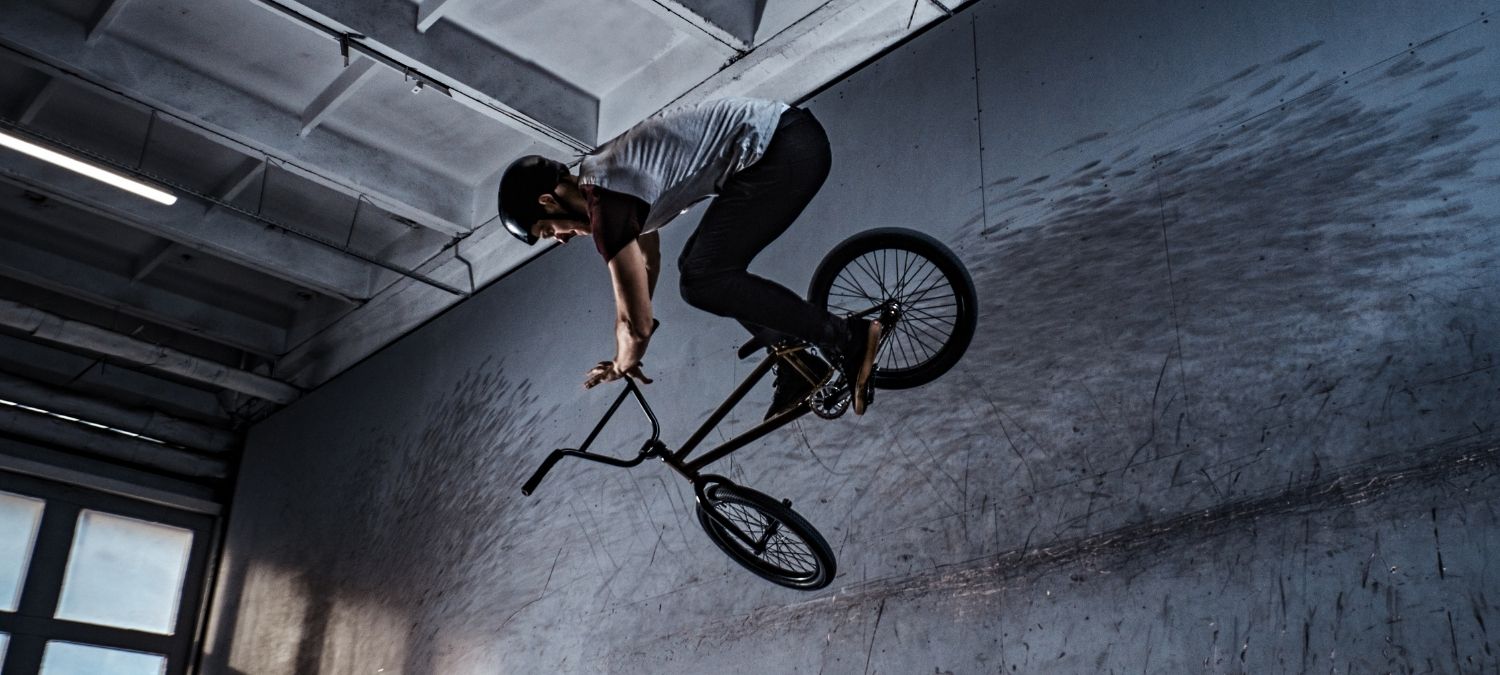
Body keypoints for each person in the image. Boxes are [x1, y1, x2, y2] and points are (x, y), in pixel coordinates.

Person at [497, 97, 882, 417]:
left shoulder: (606, 203)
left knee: (702, 280)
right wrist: (634, 335)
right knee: (695, 269)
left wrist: (623, 361)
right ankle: (796, 361)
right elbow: (646, 263)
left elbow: (635, 323)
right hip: (785, 144)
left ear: (548, 201)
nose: (561, 239)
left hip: (784, 149)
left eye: (549, 230)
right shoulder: (610, 183)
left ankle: (846, 338)